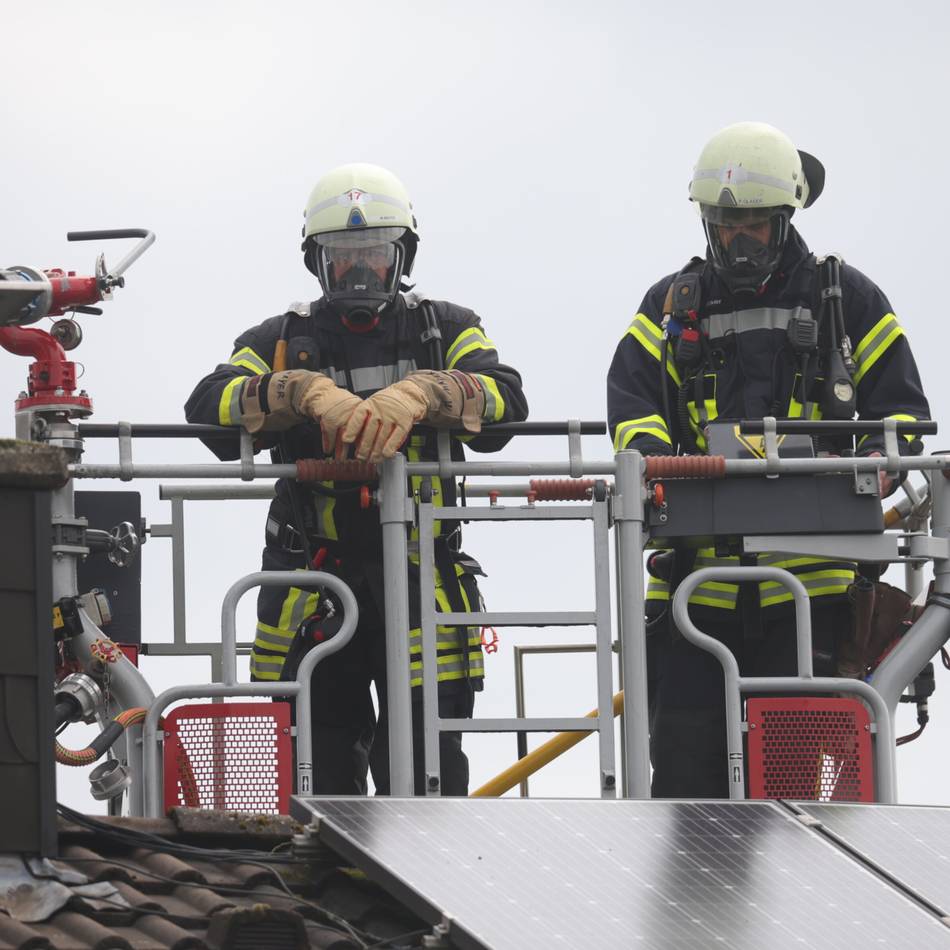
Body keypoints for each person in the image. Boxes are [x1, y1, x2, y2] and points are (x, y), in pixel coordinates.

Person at [606, 122, 929, 797]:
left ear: (784, 218)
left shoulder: (848, 301)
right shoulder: (668, 307)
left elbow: (902, 418)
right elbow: (633, 409)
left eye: (753, 224)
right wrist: (663, 466)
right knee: (685, 796)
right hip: (696, 592)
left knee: (796, 808)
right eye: (725, 224)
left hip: (813, 597)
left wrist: (872, 461)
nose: (738, 240)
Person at [186, 163, 528, 795]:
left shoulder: (445, 328)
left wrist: (430, 391)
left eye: (374, 253)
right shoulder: (282, 338)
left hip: (422, 581)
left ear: (402, 256)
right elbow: (208, 408)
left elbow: (507, 402)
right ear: (318, 262)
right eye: (343, 257)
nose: (360, 271)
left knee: (429, 784)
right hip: (310, 583)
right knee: (315, 784)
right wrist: (296, 390)